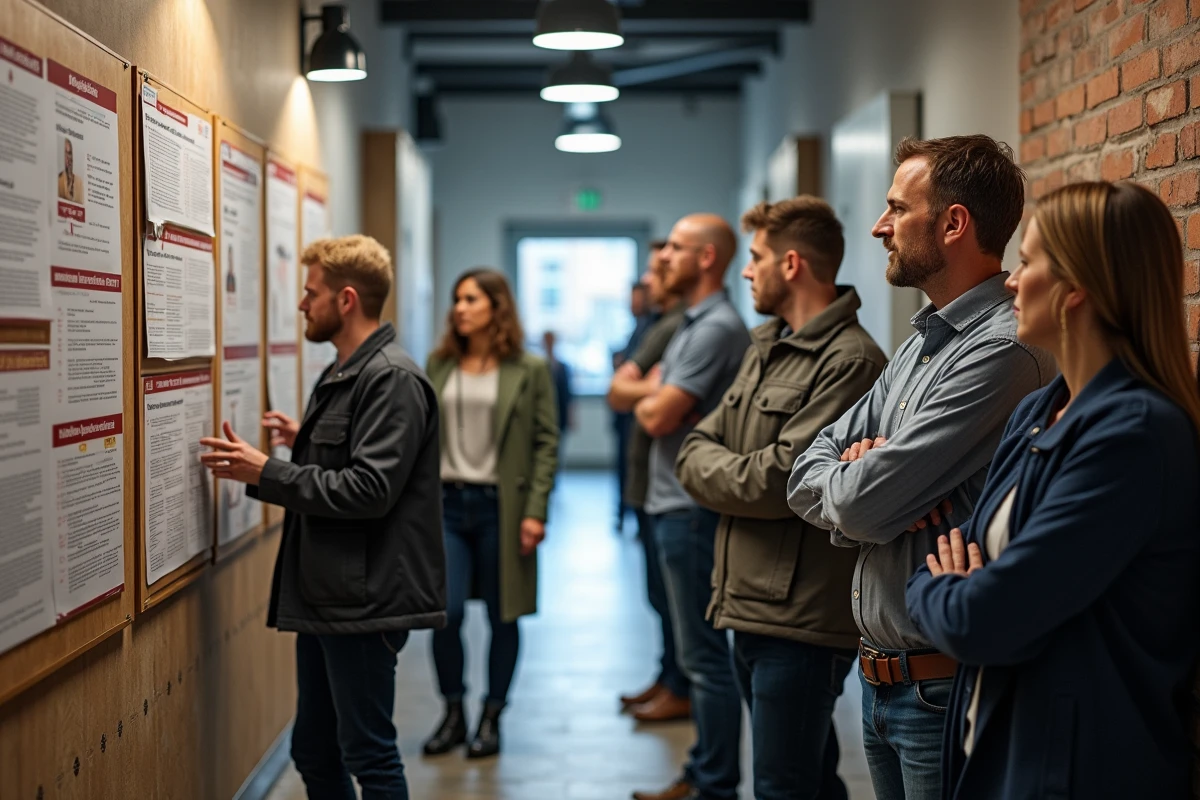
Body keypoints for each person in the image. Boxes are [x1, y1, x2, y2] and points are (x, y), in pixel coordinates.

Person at [905, 181, 1200, 799]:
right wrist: (946, 582)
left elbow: (989, 618)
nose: (1010, 280)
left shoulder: (1136, 433)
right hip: (1004, 746)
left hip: (1083, 770)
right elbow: (944, 551)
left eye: (1030, 262)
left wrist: (945, 589)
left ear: (1079, 287)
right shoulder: (1042, 409)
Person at [786, 135, 1055, 800]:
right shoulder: (920, 344)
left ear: (954, 223)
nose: (879, 227)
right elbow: (806, 471)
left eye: (896, 209)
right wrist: (865, 492)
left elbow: (856, 505)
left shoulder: (1001, 353)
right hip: (880, 683)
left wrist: (865, 496)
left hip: (938, 688)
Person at [200, 235, 445, 800]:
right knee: (313, 749)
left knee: (370, 754)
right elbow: (353, 459)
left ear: (347, 299)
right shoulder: (347, 370)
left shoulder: (391, 377)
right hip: (329, 594)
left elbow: (370, 489)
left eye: (311, 294)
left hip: (365, 600)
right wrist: (303, 441)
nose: (302, 305)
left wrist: (268, 472)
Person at [677, 197, 886, 800]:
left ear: (791, 264)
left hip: (800, 617)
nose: (747, 272)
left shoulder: (851, 360)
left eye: (758, 258)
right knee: (809, 780)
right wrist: (723, 467)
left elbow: (782, 482)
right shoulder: (767, 344)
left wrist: (718, 469)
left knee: (781, 786)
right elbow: (696, 445)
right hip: (750, 602)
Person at [631, 214, 750, 800]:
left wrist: (654, 391)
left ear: (706, 258)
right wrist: (656, 390)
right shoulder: (690, 324)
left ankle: (713, 783)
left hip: (690, 509)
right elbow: (642, 397)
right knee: (695, 654)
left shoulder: (715, 329)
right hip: (670, 503)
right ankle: (704, 771)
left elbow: (654, 414)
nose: (662, 259)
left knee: (705, 658)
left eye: (675, 248)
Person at [422, 268, 560, 759]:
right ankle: (453, 711)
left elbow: (546, 442)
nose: (460, 308)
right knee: (446, 612)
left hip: (503, 506)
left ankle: (492, 715)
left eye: (471, 299)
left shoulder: (529, 368)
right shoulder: (439, 364)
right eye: (457, 299)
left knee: (505, 616)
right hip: (448, 505)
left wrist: (536, 511)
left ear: (496, 307)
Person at [607, 243, 690, 723]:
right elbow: (623, 387)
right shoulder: (654, 324)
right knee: (659, 597)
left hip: (668, 485)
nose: (647, 282)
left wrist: (641, 388)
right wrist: (646, 387)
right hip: (645, 479)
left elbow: (629, 391)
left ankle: (679, 686)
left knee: (671, 599)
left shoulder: (679, 326)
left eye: (656, 271)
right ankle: (668, 676)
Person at [613, 280, 655, 532]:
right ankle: (623, 513)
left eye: (637, 298)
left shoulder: (653, 329)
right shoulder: (637, 330)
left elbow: (622, 386)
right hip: (626, 418)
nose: (633, 304)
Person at [542, 330, 574, 468]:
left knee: (558, 449)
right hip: (543, 414)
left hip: (559, 414)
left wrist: (571, 416)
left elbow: (569, 394)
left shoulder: (563, 367)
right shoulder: (538, 366)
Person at [57, 138, 83, 203]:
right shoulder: (58, 180)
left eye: (69, 153)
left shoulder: (79, 182)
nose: (67, 158)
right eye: (64, 153)